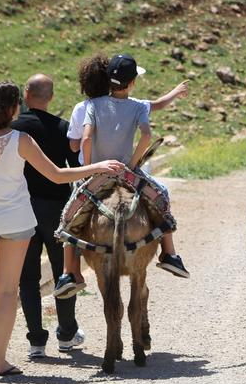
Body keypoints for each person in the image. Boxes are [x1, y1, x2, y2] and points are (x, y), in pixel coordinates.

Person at [0, 81, 123, 377]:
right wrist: (97, 167)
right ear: (13, 108)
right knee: (7, 291)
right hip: (16, 221)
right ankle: (1, 361)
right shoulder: (20, 140)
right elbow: (57, 176)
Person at [54, 54, 190, 298]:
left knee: (70, 216)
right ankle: (169, 253)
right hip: (127, 174)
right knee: (161, 195)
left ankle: (68, 273)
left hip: (96, 175)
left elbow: (84, 139)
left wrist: (93, 167)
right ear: (132, 82)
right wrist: (134, 162)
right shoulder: (137, 105)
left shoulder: (93, 106)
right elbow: (147, 135)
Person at [12, 74, 85, 359]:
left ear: (26, 94)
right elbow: (72, 169)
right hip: (57, 210)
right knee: (63, 273)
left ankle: (36, 342)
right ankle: (66, 335)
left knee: (27, 278)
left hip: (23, 209)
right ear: (51, 97)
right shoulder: (62, 128)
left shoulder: (14, 129)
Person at [68, 54, 110, 165]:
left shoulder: (80, 108)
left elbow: (74, 147)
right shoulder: (119, 105)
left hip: (90, 168)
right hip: (116, 166)